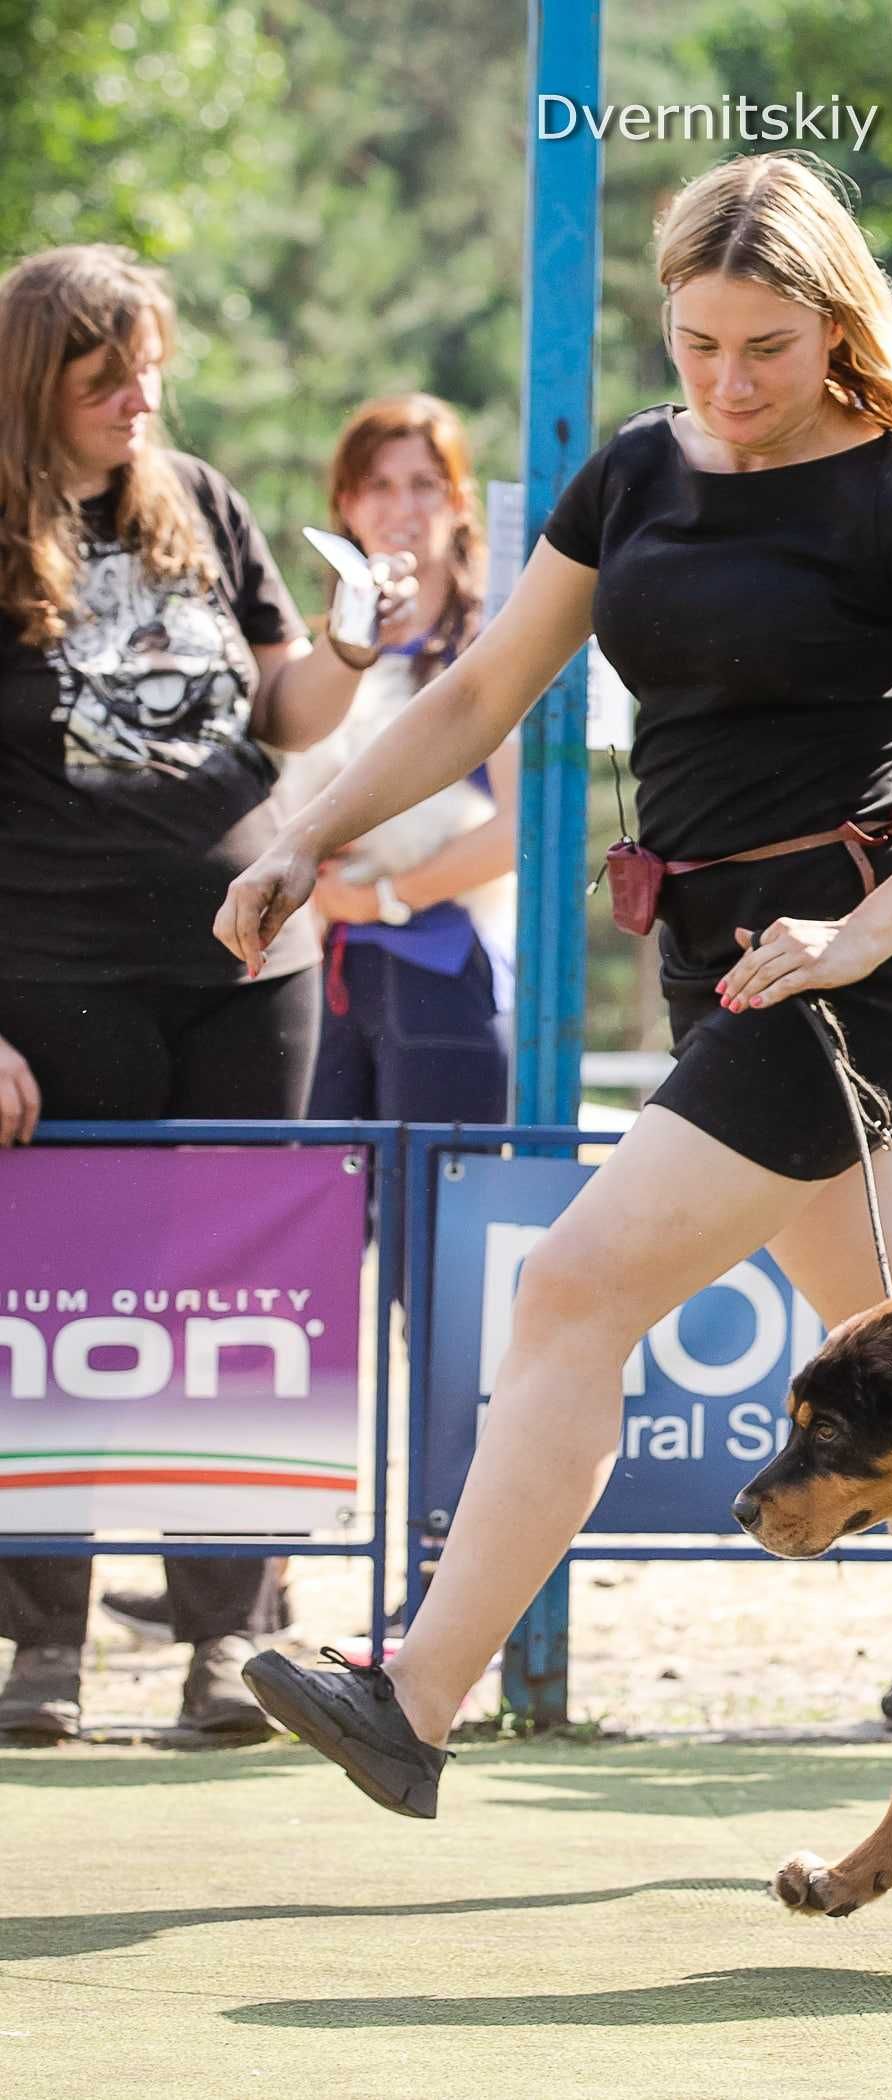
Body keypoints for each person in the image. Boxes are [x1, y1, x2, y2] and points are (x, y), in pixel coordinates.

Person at [218, 152, 892, 1815]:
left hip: (839, 977)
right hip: (717, 967)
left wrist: (860, 934)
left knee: (572, 1295)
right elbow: (476, 697)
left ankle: (413, 1699)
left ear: (835, 326)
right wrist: (302, 838)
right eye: (696, 344)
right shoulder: (632, 475)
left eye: (764, 347)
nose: (729, 383)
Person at [0, 244, 411, 1742]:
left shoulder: (203, 500)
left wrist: (356, 636)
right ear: (33, 380)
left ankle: (228, 1640)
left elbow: (286, 713)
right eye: (108, 376)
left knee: (242, 1298)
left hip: (252, 963)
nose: (140, 398)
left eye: (151, 367)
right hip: (48, 975)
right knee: (62, 1304)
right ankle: (41, 1647)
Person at [302, 394, 515, 1124]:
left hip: (448, 967)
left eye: (424, 484)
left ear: (458, 501)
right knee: (317, 1217)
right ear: (346, 505)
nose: (402, 507)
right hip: (323, 973)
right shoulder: (317, 658)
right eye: (379, 485)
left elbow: (523, 832)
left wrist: (386, 898)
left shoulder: (502, 647)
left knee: (433, 1221)